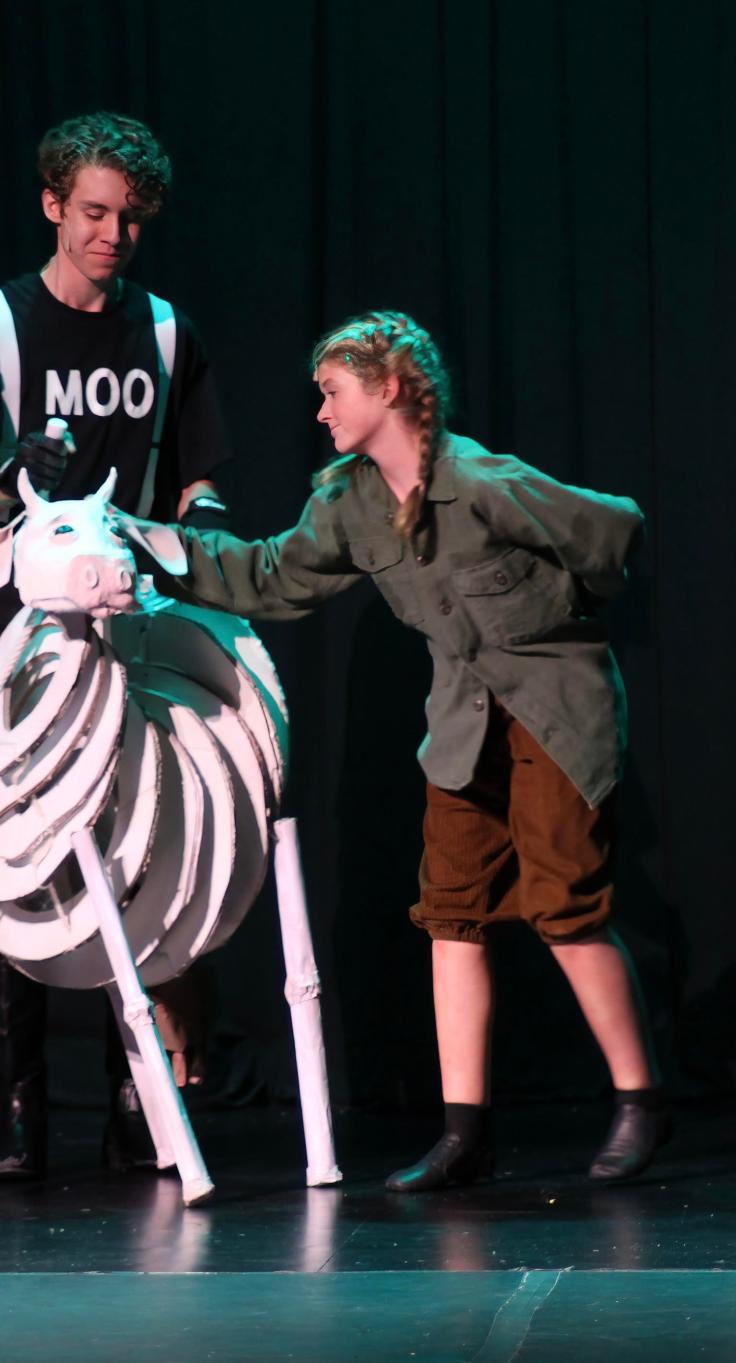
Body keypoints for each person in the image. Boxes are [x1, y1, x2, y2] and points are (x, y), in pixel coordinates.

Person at [121, 309, 671, 1189]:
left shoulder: (482, 479)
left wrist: (572, 611)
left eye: (332, 392)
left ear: (389, 388)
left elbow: (614, 528)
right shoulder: (350, 504)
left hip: (555, 710)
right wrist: (154, 543)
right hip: (462, 722)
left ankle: (641, 1101)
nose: (321, 411)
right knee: (452, 911)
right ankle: (466, 1132)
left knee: (565, 903)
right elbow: (271, 574)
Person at [0, 111, 230, 1179]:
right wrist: (13, 473)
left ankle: (134, 1093)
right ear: (54, 205)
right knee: (21, 853)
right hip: (18, 630)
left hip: (127, 622)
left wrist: (206, 513)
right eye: (95, 213)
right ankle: (16, 1112)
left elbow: (196, 477)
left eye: (131, 218)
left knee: (140, 848)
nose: (114, 235)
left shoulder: (168, 333)